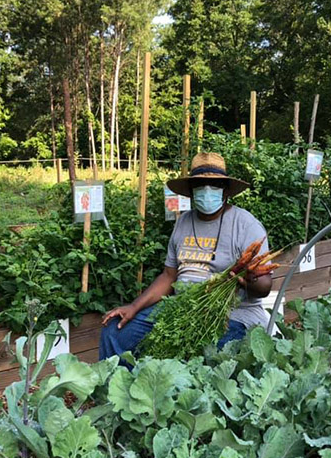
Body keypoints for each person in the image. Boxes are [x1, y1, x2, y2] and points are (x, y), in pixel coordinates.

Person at [99, 152, 273, 360]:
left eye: (215, 185)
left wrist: (246, 281)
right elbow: (169, 276)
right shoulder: (183, 222)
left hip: (231, 314)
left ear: (226, 190)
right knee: (114, 331)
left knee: (202, 348)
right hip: (182, 308)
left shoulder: (245, 225)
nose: (207, 191)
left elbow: (264, 286)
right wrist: (133, 307)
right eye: (200, 185)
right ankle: (119, 389)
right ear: (191, 191)